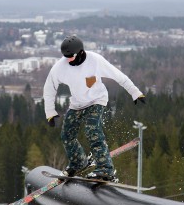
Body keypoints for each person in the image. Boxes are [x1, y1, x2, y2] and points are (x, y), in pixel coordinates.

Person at [43, 35, 145, 182]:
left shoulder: (95, 61)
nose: (68, 59)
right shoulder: (60, 67)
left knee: (92, 130)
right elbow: (49, 88)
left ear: (80, 52)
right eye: (65, 57)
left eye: (71, 56)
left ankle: (105, 169)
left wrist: (135, 92)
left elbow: (118, 76)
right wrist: (50, 112)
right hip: (77, 104)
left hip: (97, 100)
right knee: (67, 135)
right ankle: (78, 162)